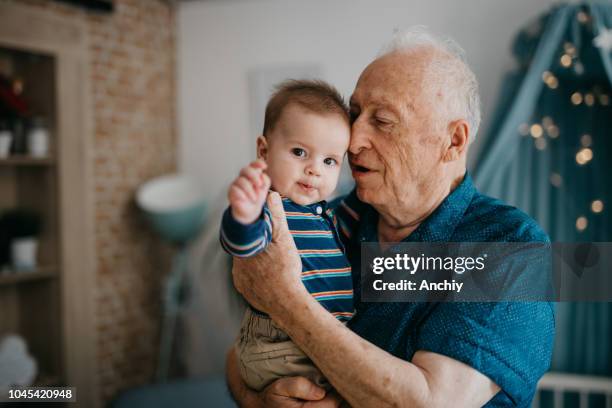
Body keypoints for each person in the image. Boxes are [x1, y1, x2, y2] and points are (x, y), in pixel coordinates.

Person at [227, 27, 555, 408]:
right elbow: (238, 356)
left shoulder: (512, 246)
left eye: (382, 121)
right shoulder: (326, 220)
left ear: (454, 141)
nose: (353, 141)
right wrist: (257, 399)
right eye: (354, 115)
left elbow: (431, 403)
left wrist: (285, 299)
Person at [220, 80, 353, 392]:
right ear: (264, 151)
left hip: (325, 340)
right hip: (283, 345)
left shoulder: (326, 213)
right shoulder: (271, 207)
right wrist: (243, 215)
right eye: (299, 152)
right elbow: (244, 244)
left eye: (329, 160)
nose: (314, 169)